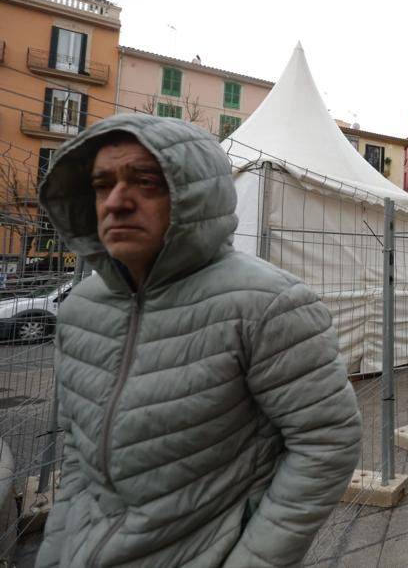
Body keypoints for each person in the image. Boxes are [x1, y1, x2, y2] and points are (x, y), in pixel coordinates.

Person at [35, 116, 363, 567]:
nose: (116, 202)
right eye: (101, 184)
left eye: (146, 182)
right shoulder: (80, 309)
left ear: (194, 195)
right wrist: (54, 554)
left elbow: (328, 441)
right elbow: (78, 452)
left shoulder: (268, 304)